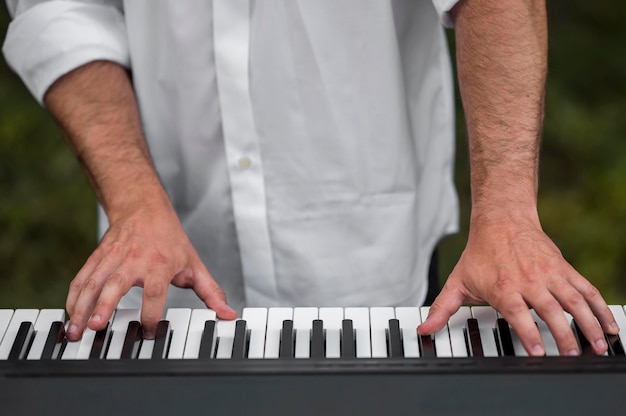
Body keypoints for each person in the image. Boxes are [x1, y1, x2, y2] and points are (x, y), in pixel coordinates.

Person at [2, 0, 618, 356]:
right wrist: (134, 201)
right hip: (157, 274)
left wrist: (508, 216)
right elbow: (63, 12)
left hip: (380, 270)